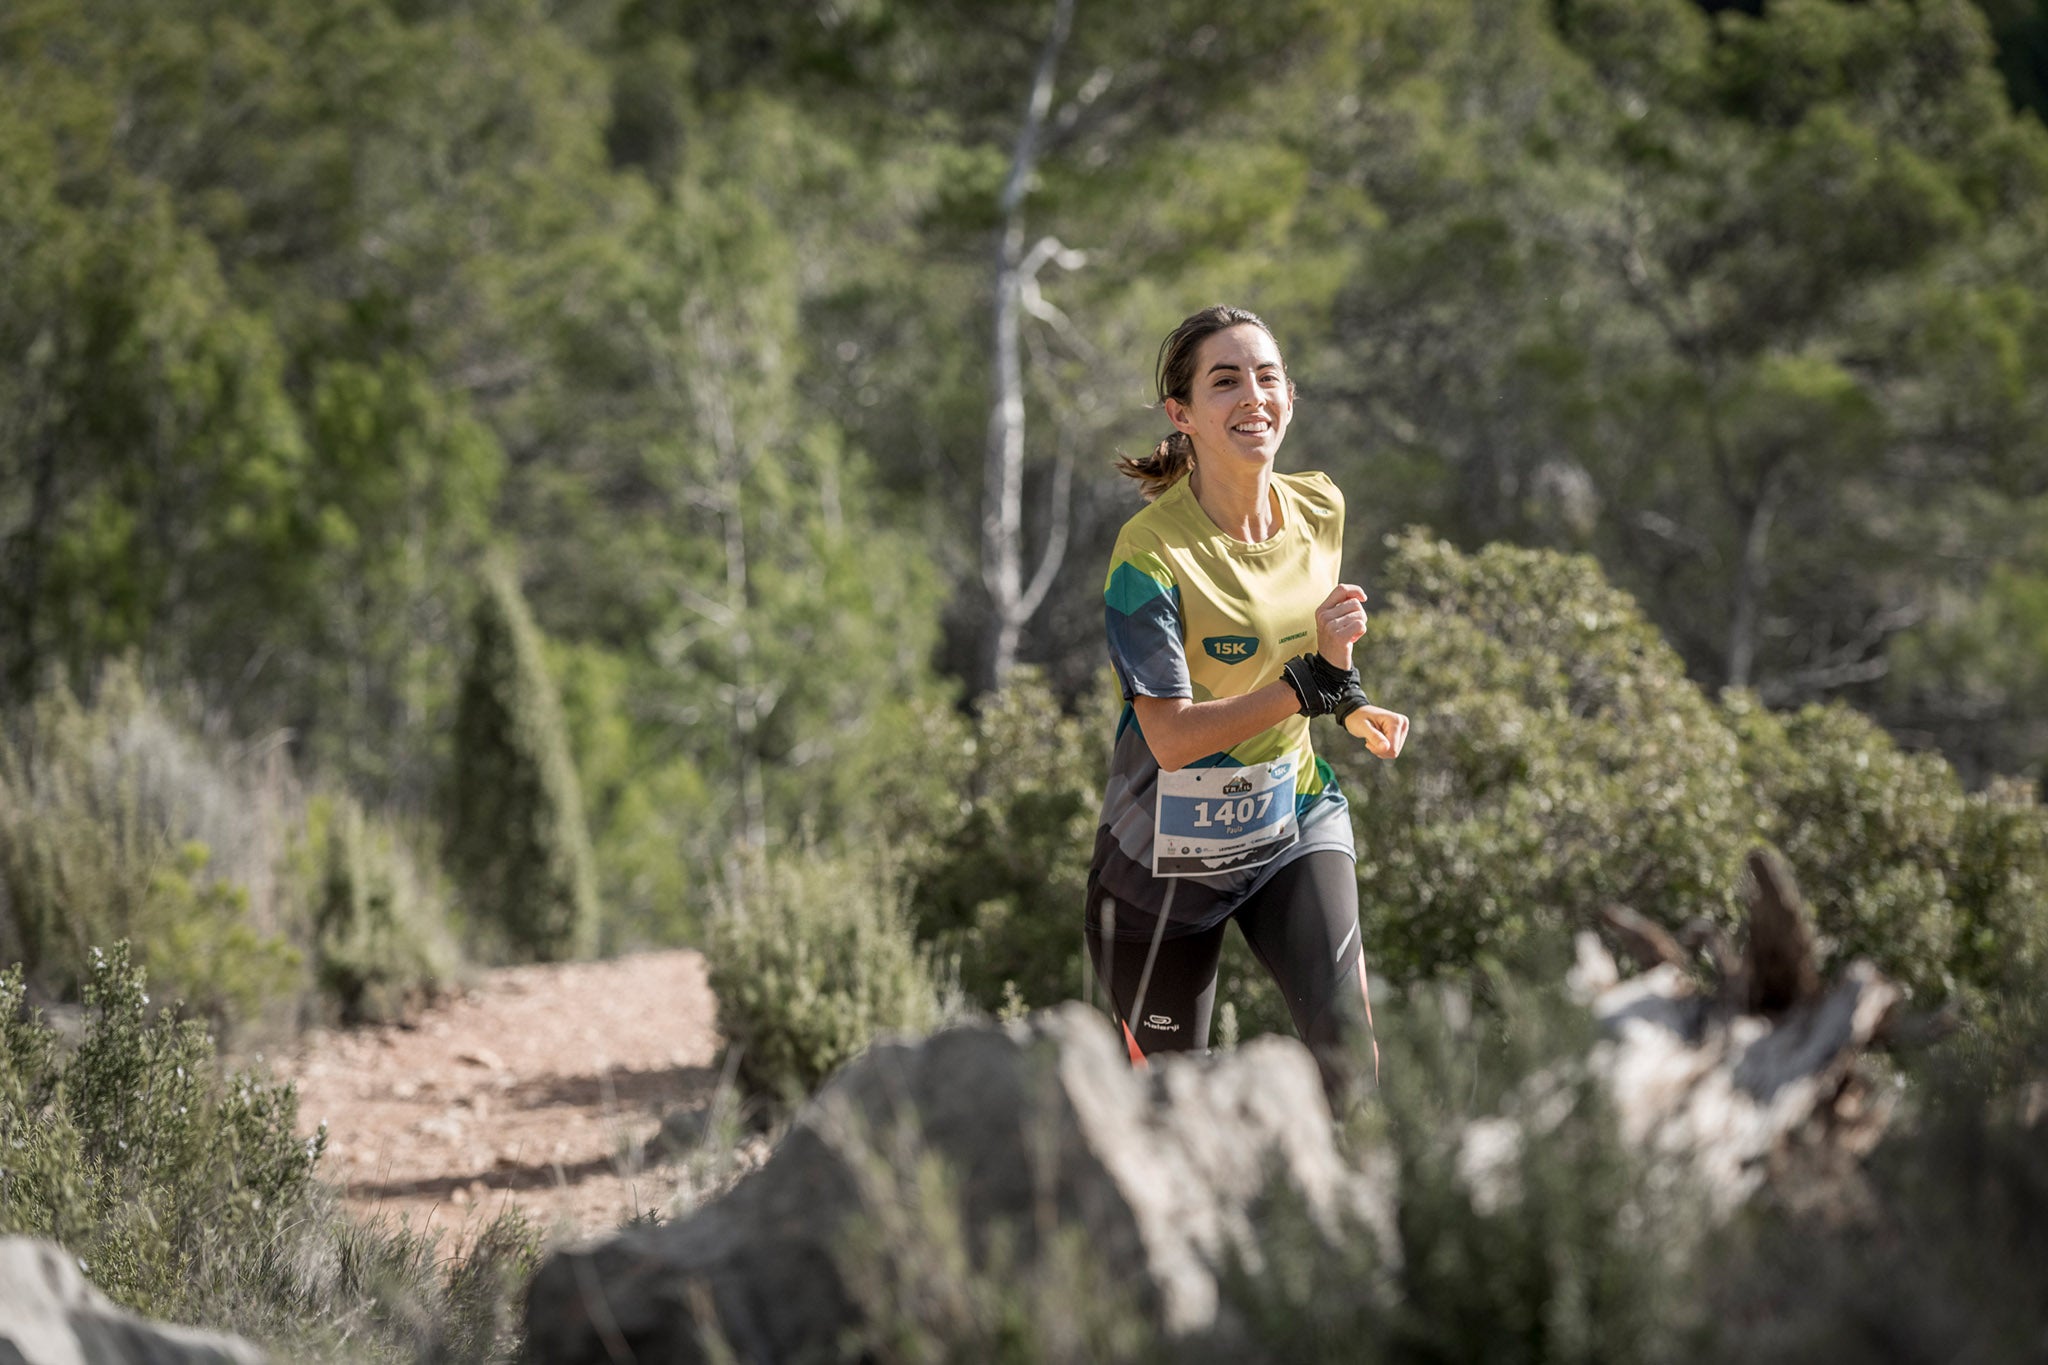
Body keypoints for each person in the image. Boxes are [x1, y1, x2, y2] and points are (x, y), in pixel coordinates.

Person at [1084, 303, 1409, 1102]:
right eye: (1225, 381)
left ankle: (1351, 1223)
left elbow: (1309, 642)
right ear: (1182, 415)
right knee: (1170, 1114)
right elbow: (1169, 740)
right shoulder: (1149, 553)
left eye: (1268, 377)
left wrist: (1348, 695)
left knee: (1350, 1070)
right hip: (1159, 863)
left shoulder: (1320, 506)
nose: (1252, 396)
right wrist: (1303, 687)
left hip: (1290, 819)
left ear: (1291, 396)